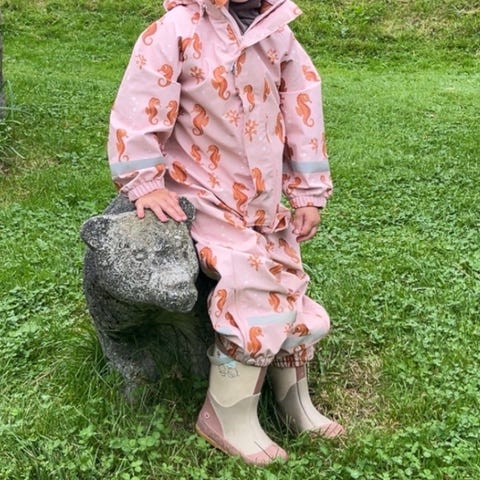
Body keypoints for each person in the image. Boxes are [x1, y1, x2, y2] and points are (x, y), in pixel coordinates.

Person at [108, 0, 344, 465]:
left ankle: (293, 401)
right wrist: (144, 180)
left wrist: (308, 192)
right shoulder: (177, 29)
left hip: (261, 201)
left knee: (288, 277)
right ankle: (227, 413)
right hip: (203, 191)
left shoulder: (278, 33)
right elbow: (141, 102)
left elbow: (303, 112)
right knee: (249, 281)